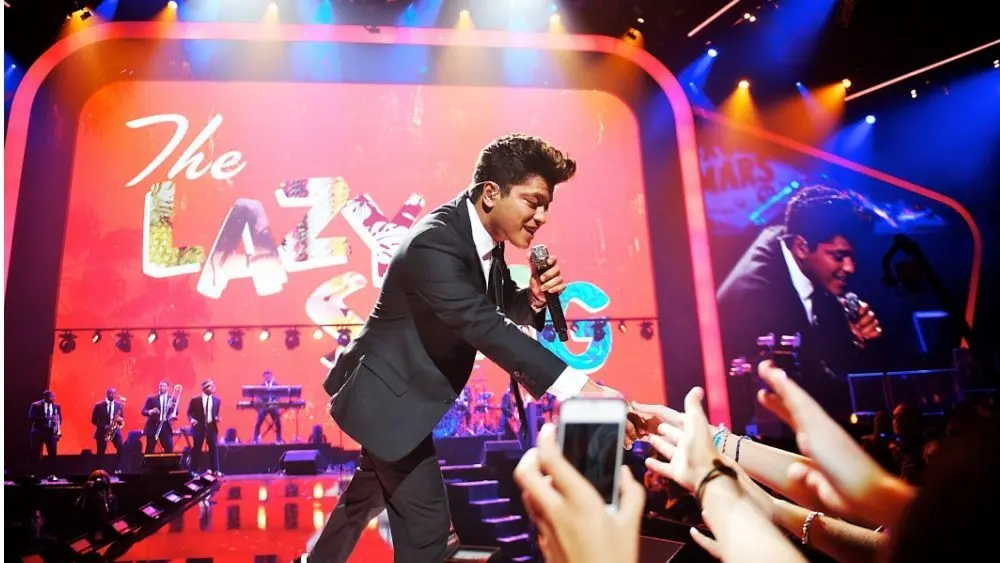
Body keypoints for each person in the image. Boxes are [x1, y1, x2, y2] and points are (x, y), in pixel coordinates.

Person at [306, 133, 631, 562]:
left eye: (547, 206)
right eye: (533, 202)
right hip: (385, 401)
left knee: (362, 500)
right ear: (491, 193)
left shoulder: (481, 234)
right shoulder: (434, 243)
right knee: (430, 536)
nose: (542, 216)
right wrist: (582, 388)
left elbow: (493, 305)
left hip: (402, 398)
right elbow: (484, 326)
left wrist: (532, 300)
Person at [715, 185, 882, 431]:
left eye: (852, 257)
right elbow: (812, 383)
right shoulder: (756, 299)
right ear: (802, 248)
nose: (850, 268)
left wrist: (856, 338)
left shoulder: (792, 243)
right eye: (838, 256)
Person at [187, 380, 221, 475]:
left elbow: (215, 413)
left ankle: (215, 470)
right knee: (197, 448)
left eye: (214, 386)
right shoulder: (195, 399)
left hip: (211, 426)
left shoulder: (217, 400)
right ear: (205, 388)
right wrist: (192, 420)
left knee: (213, 448)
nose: (213, 388)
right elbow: (189, 413)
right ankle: (193, 470)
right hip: (199, 426)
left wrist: (216, 418)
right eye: (211, 386)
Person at [90, 388, 125, 473]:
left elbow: (122, 418)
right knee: (100, 452)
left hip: (115, 431)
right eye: (110, 393)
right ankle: (99, 471)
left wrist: (120, 420)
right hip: (102, 431)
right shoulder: (99, 405)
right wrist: (104, 426)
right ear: (107, 394)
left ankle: (118, 468)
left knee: (121, 448)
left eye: (113, 393)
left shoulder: (118, 405)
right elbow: (94, 420)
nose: (112, 395)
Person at [28, 390, 61, 473]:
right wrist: (46, 419)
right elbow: (31, 418)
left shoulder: (56, 406)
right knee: (35, 454)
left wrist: (58, 431)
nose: (53, 398)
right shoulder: (36, 405)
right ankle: (33, 474)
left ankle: (52, 474)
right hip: (38, 432)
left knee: (52, 454)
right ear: (44, 397)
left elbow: (59, 419)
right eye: (51, 396)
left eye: (53, 396)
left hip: (51, 433)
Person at [141, 380, 176, 454]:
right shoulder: (151, 398)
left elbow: (176, 411)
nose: (162, 387)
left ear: (168, 388)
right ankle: (148, 465)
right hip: (153, 426)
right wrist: (151, 411)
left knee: (169, 447)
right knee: (150, 449)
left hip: (165, 426)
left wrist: (172, 408)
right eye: (160, 386)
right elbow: (143, 411)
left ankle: (166, 464)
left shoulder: (172, 398)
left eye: (164, 386)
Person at [253, 370, 283, 443]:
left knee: (278, 422)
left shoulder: (276, 385)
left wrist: (275, 401)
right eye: (266, 376)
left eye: (269, 376)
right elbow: (258, 397)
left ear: (271, 376)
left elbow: (279, 395)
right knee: (258, 421)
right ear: (264, 377)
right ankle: (255, 439)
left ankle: (279, 439)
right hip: (264, 406)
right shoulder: (261, 386)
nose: (268, 377)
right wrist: (263, 403)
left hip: (273, 405)